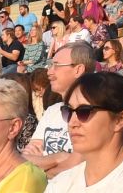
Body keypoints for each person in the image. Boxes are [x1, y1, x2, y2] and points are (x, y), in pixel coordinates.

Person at [29, 41, 94, 169]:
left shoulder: (94, 112)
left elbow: (77, 168)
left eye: (56, 66)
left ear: (78, 70)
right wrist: (58, 158)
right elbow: (26, 158)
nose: (49, 72)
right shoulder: (52, 111)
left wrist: (41, 164)